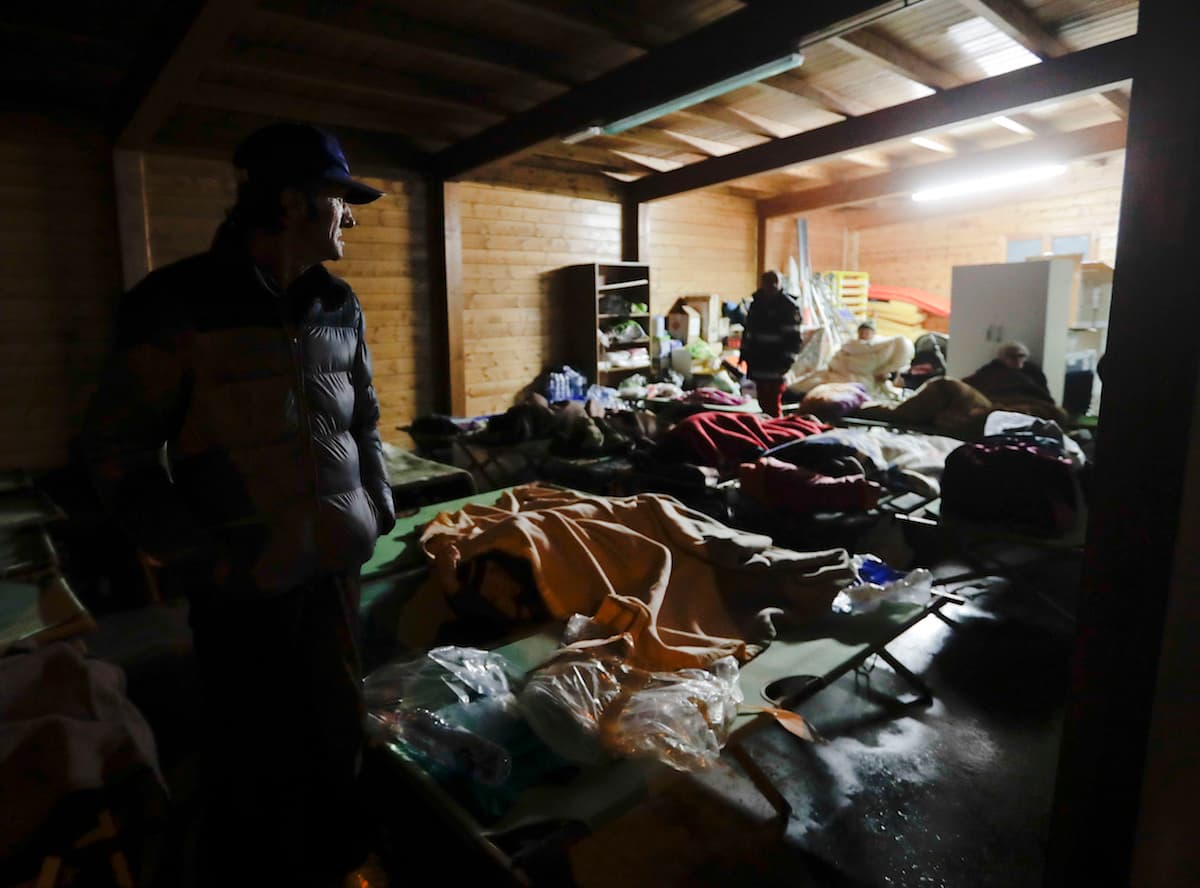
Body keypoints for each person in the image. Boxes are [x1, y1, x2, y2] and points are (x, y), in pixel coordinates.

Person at [83, 122, 395, 886]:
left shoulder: (339, 304)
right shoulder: (175, 306)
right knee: (254, 756)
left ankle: (339, 864)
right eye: (338, 200)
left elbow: (364, 419)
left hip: (334, 570)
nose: (350, 219)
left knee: (336, 730)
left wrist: (378, 505)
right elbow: (116, 453)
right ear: (290, 204)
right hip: (244, 586)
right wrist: (203, 559)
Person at [741, 270, 802, 417]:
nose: (771, 285)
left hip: (777, 360)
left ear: (780, 283)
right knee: (762, 398)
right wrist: (744, 354)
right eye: (768, 282)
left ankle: (775, 426)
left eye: (774, 281)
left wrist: (788, 361)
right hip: (758, 359)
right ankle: (767, 424)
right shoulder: (756, 303)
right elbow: (748, 331)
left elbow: (793, 337)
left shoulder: (787, 306)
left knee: (774, 399)